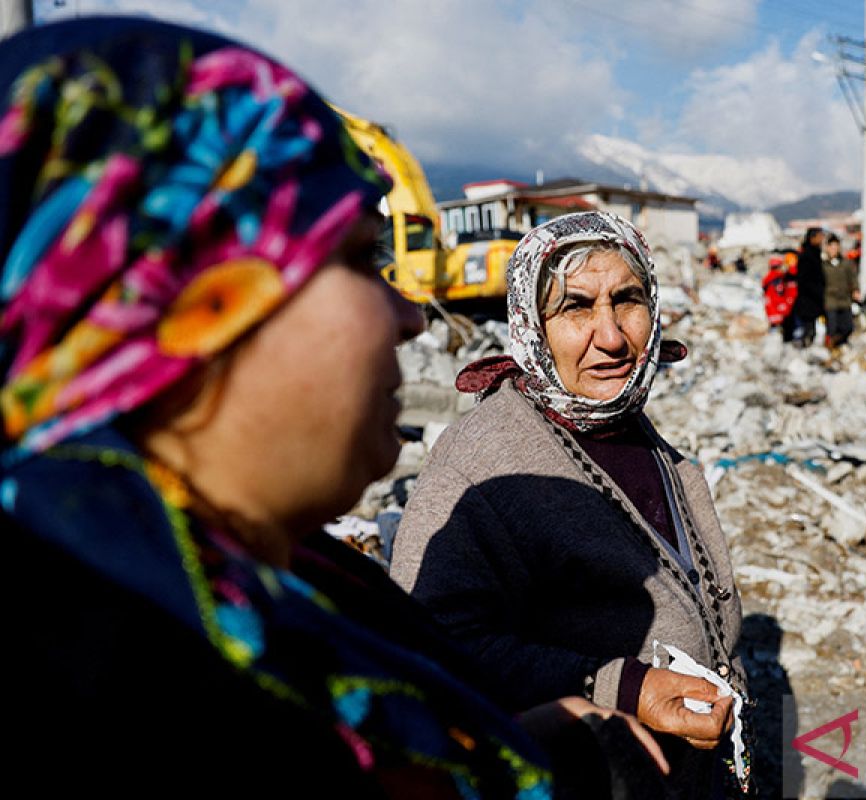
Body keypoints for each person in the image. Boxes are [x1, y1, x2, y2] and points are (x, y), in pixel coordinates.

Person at [1, 18, 665, 798]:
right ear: (185, 303)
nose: (412, 315)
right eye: (357, 257)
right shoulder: (128, 680)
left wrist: (514, 753)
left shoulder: (302, 591)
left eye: (630, 299)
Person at [391, 211, 749, 798]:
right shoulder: (484, 461)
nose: (611, 337)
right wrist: (622, 689)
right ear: (531, 325)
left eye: (627, 301)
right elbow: (435, 644)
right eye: (576, 308)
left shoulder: (633, 429)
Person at [783, 227, 824, 346]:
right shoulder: (807, 256)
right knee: (807, 329)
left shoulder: (814, 254)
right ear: (812, 238)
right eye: (819, 237)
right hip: (808, 299)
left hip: (813, 299)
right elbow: (805, 280)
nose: (821, 239)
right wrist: (817, 291)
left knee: (811, 328)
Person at [821, 233, 857, 348]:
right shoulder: (823, 265)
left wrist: (855, 290)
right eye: (831, 247)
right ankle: (832, 346)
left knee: (848, 327)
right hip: (830, 300)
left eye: (836, 246)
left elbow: (852, 278)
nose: (833, 249)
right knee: (832, 328)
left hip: (844, 300)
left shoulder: (846, 264)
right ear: (827, 248)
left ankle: (841, 344)